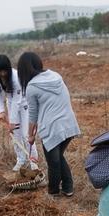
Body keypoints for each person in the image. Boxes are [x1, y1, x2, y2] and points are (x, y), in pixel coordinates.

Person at [17, 52, 80, 196]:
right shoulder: (56, 76)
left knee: (54, 163)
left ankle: (53, 192)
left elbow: (32, 115)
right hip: (69, 124)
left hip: (52, 129)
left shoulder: (32, 87)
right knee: (58, 157)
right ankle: (68, 188)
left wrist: (30, 135)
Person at [0, 54, 39, 171]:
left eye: (4, 71)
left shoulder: (15, 77)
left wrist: (12, 121)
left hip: (24, 105)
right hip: (11, 105)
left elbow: (16, 101)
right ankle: (21, 159)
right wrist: (2, 111)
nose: (3, 74)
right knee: (16, 136)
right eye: (0, 71)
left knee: (26, 134)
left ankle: (33, 160)